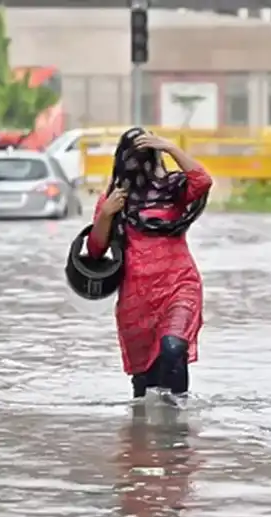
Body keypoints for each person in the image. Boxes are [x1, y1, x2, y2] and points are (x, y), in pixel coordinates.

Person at [86, 128, 212, 401]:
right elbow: (95, 251)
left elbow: (202, 181)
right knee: (145, 385)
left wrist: (171, 147)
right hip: (137, 300)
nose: (137, 164)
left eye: (145, 154)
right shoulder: (114, 198)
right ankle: (145, 437)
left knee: (173, 347)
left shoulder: (172, 189)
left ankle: (179, 424)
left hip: (179, 286)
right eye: (132, 156)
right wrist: (107, 213)